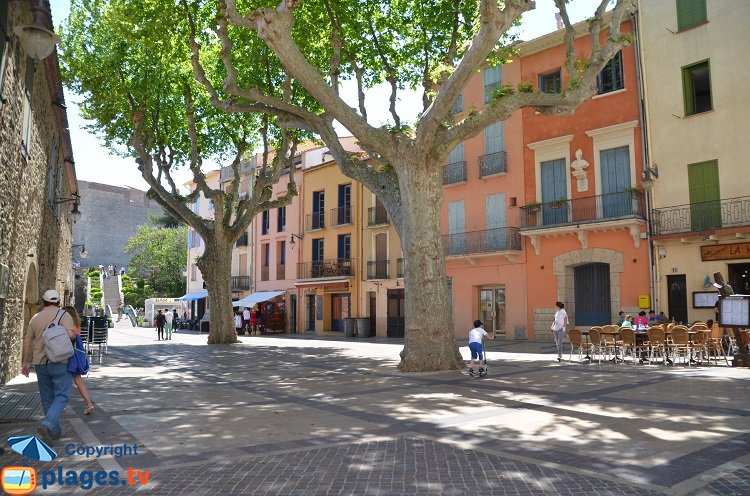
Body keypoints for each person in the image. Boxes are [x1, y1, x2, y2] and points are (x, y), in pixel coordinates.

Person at [21, 289, 76, 445]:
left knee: (47, 398)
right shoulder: (64, 316)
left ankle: (52, 432)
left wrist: (25, 362)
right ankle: (48, 424)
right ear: (58, 302)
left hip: (40, 363)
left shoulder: (35, 318)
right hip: (59, 361)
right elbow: (71, 335)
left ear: (44, 301)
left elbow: (27, 341)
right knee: (62, 396)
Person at [63, 306, 95, 415]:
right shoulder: (77, 324)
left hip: (67, 356)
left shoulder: (67, 326)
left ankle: (62, 404)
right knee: (78, 382)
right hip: (76, 357)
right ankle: (89, 404)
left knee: (62, 380)